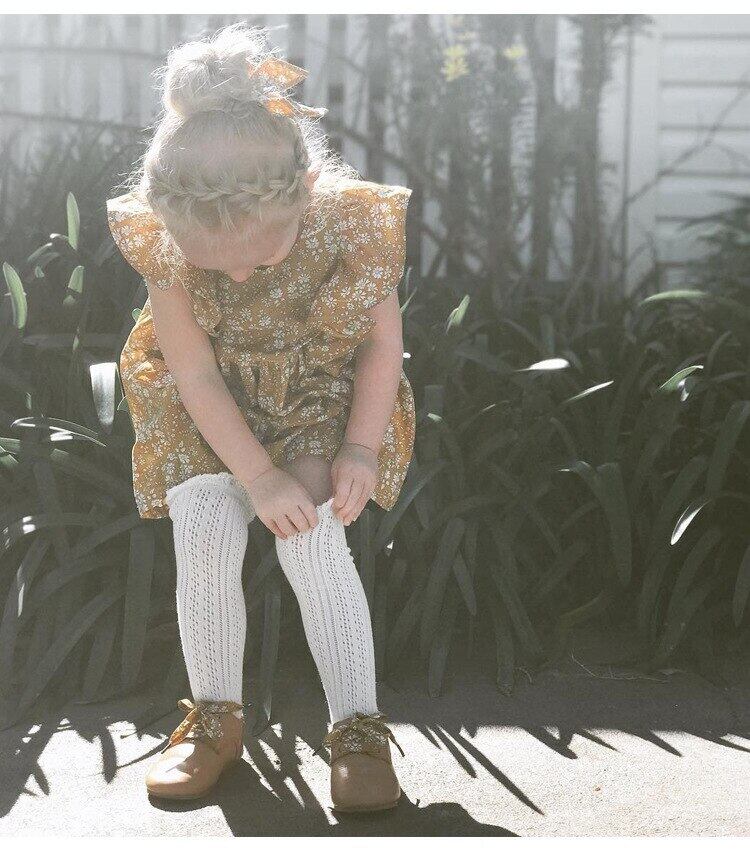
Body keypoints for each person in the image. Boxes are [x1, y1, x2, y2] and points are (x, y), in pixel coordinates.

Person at [105, 21, 414, 812]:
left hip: (312, 402)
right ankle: (216, 719)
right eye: (219, 265)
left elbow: (382, 347)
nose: (239, 276)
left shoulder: (351, 226)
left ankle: (359, 729)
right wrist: (254, 474)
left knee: (309, 527)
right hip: (210, 413)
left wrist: (359, 449)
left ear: (305, 189)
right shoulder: (169, 241)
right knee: (205, 525)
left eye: (260, 258)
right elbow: (195, 373)